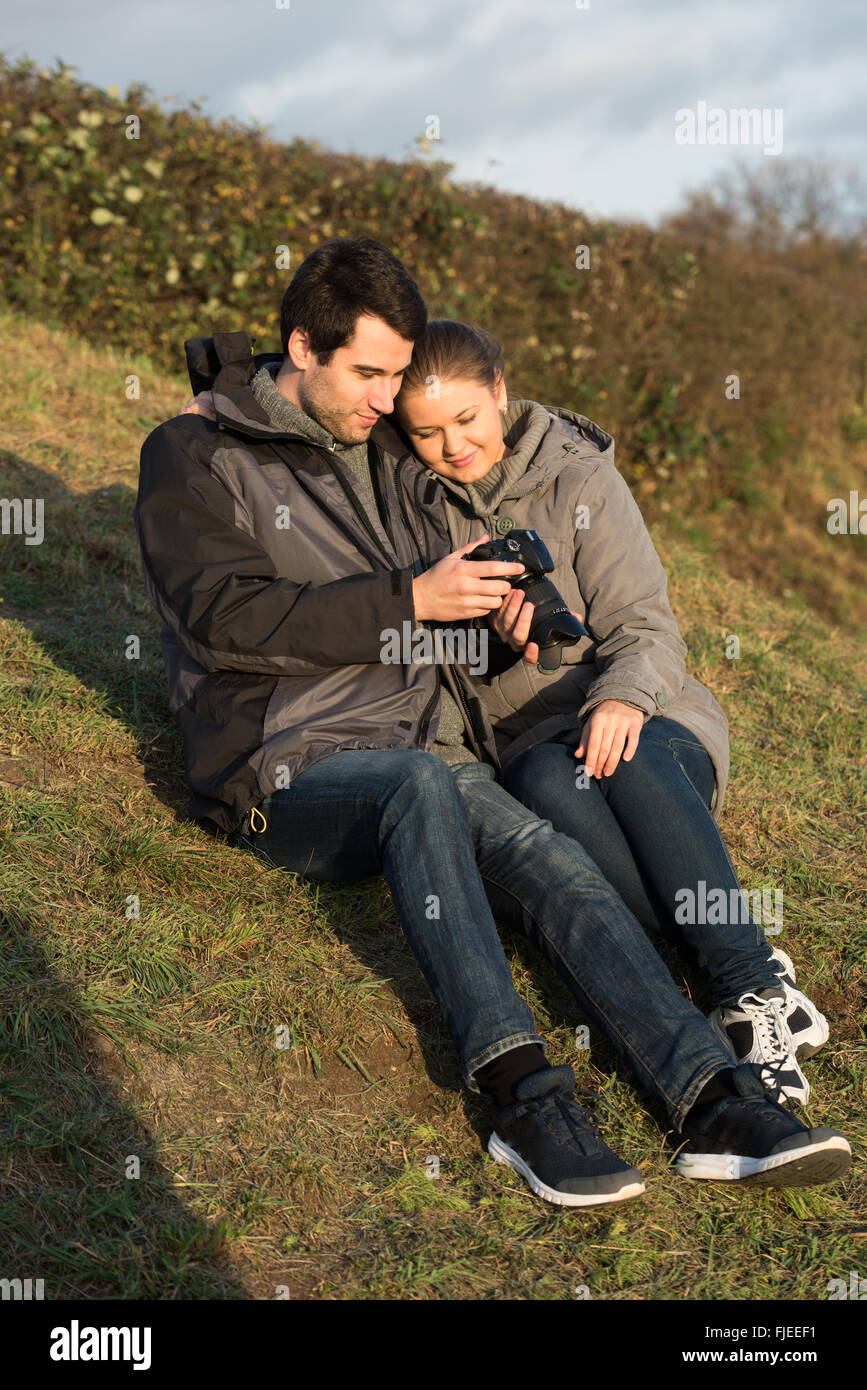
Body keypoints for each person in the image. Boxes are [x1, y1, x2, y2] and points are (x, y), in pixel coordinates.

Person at [144, 236, 850, 1208]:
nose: (389, 401)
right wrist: (412, 599)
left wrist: (499, 642)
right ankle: (525, 1095)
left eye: (397, 376)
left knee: (548, 854)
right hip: (281, 758)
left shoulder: (379, 450)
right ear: (303, 348)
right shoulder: (192, 453)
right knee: (428, 783)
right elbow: (224, 621)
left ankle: (716, 1104)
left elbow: (454, 577)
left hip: (425, 747)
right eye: (370, 374)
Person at [389, 317, 831, 1110]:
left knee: (617, 752)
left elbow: (647, 626)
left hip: (652, 724)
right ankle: (729, 978)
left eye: (466, 420)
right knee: (549, 782)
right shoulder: (411, 504)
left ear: (499, 391)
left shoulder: (578, 477)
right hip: (530, 746)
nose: (453, 446)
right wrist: (479, 640)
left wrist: (620, 698)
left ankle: (753, 985)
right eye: (426, 433)